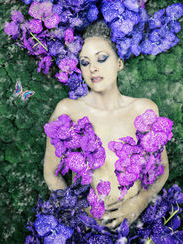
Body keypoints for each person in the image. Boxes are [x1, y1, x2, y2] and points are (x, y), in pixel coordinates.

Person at [43, 20, 169, 230]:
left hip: (137, 224)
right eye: (84, 62)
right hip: (86, 228)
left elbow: (162, 168)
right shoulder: (67, 111)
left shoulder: (143, 110)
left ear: (119, 63)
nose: (93, 68)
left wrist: (139, 203)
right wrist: (79, 215)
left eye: (102, 58)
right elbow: (51, 172)